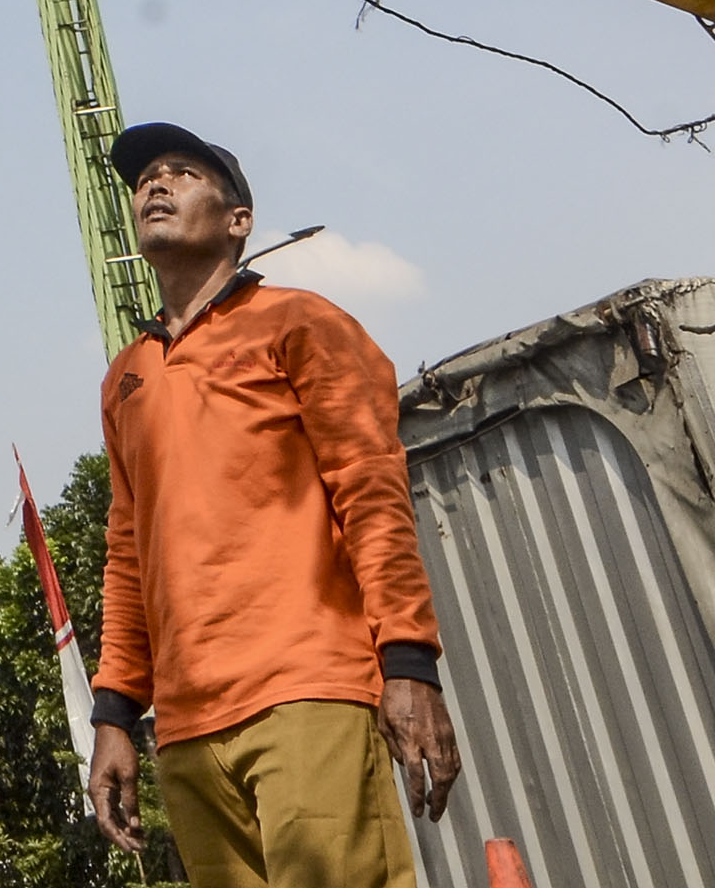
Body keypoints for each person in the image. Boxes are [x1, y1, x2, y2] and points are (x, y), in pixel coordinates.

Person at [84, 122, 459, 888]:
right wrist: (115, 716)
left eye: (183, 172)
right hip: (187, 729)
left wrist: (409, 663)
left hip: (306, 691)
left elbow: (373, 493)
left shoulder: (301, 324)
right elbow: (129, 553)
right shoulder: (128, 376)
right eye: (146, 176)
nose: (155, 183)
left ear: (237, 220)